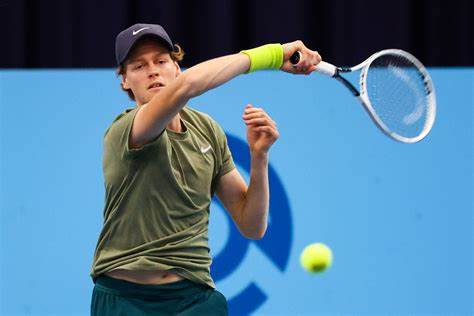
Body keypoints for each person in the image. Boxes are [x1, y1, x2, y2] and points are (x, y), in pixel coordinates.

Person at [90, 23, 321, 315]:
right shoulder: (126, 129)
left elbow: (252, 226)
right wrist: (273, 55)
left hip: (194, 299)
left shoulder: (207, 130)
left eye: (161, 61)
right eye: (138, 66)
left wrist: (258, 157)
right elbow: (187, 87)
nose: (153, 70)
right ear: (125, 81)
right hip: (126, 299)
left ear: (177, 67)